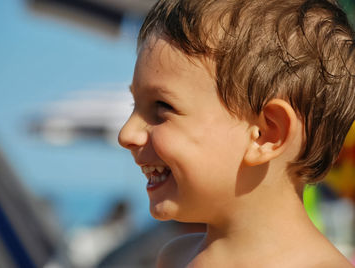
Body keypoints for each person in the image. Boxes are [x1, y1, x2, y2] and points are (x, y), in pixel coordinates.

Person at [118, 0, 355, 266]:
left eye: (162, 107)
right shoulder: (175, 257)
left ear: (266, 134)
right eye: (134, 105)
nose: (126, 134)